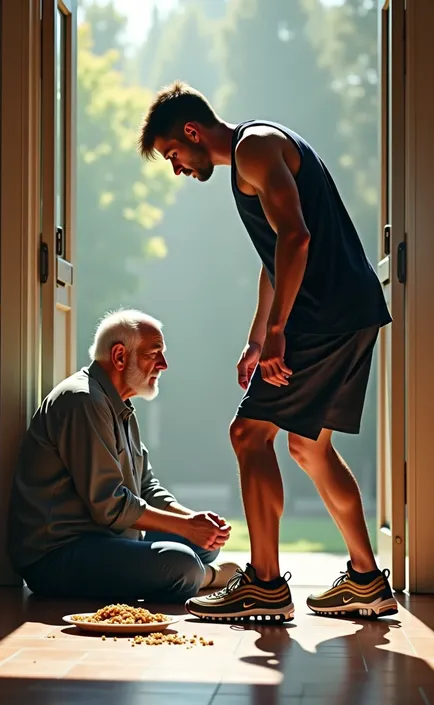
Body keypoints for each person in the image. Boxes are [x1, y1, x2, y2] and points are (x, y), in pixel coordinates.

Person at [137, 81, 398, 622]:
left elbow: (297, 238)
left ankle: (262, 582)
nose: (177, 167)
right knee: (308, 448)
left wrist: (280, 330)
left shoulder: (253, 148)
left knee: (249, 434)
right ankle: (368, 580)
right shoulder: (253, 155)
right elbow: (277, 250)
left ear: (192, 131)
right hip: (351, 311)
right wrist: (259, 336)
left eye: (173, 154)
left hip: (322, 315)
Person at [8, 309, 238, 603]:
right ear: (119, 356)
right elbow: (110, 505)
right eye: (154, 353)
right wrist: (185, 528)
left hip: (107, 539)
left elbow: (145, 486)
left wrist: (191, 519)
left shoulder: (120, 404)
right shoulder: (83, 401)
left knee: (205, 545)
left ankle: (198, 571)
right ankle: (212, 577)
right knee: (183, 562)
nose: (164, 365)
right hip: (56, 555)